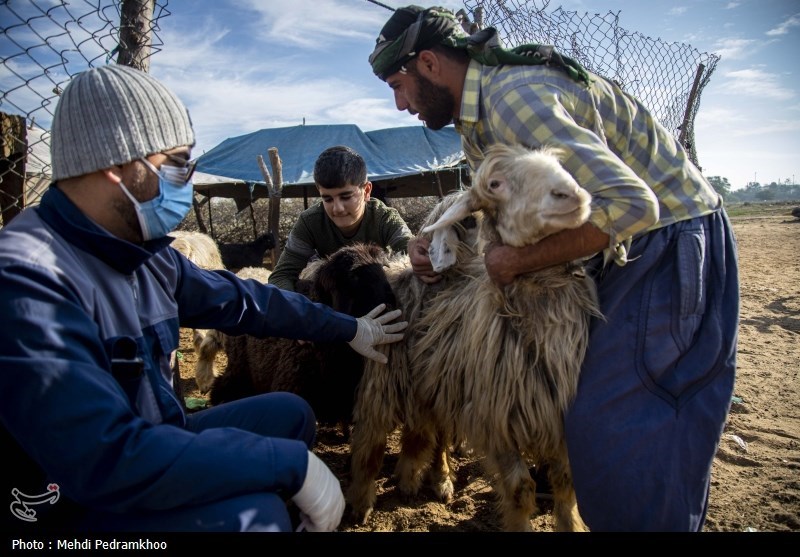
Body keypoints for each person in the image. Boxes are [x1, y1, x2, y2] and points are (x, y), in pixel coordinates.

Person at [368, 5, 739, 532]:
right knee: (599, 426)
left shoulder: (512, 101)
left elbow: (636, 205)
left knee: (626, 434)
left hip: (664, 244)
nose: (400, 104)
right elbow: (504, 199)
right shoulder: (480, 115)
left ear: (428, 62)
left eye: (398, 85)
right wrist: (439, 235)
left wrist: (514, 260)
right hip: (627, 245)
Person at [0, 64, 408, 533]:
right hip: (82, 493)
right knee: (259, 518)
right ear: (121, 168)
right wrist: (286, 466)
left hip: (158, 434)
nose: (188, 181)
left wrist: (349, 328)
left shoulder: (142, 253)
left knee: (291, 413)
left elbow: (246, 301)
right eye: (177, 164)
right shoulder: (28, 280)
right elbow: (102, 456)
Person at [268, 145, 413, 292]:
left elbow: (412, 257)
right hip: (331, 297)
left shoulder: (385, 218)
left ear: (366, 191)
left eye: (346, 197)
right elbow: (281, 276)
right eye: (328, 199)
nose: (337, 208)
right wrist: (299, 310)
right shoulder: (309, 222)